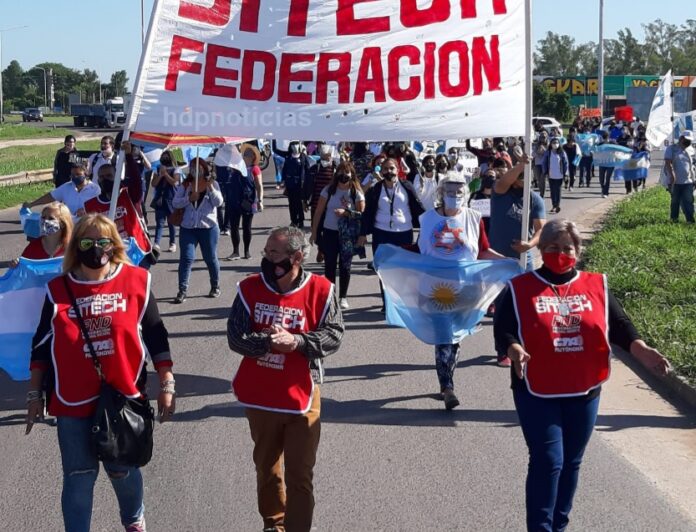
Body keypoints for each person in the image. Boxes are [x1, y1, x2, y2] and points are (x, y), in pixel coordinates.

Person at [493, 219, 671, 532]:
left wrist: (640, 349)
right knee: (549, 461)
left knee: (572, 463)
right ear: (542, 249)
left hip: (583, 390)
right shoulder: (520, 287)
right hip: (537, 390)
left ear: (577, 250)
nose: (560, 253)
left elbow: (618, 325)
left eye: (567, 248)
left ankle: (559, 525)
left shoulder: (595, 285)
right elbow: (504, 328)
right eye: (552, 247)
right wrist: (513, 349)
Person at [25, 213, 176, 532]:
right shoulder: (58, 289)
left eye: (104, 241)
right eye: (87, 242)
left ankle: (134, 520)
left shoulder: (137, 281)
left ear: (115, 244)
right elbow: (40, 346)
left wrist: (167, 381)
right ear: (75, 246)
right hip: (72, 400)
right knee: (78, 476)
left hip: (122, 396)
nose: (96, 248)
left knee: (122, 470)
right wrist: (34, 394)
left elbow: (155, 335)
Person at [227, 226, 344, 532]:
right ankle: (274, 523)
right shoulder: (249, 288)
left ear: (296, 257)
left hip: (303, 395)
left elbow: (333, 336)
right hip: (262, 395)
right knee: (266, 468)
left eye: (274, 253)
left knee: (300, 474)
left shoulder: (322, 289)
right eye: (266, 252)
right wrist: (266, 343)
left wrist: (297, 343)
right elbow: (235, 337)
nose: (267, 259)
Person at [418, 173, 506, 409]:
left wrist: (507, 262)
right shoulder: (427, 219)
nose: (454, 196)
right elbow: (419, 250)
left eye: (459, 192)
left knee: (456, 339)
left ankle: (446, 379)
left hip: (466, 289)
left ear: (466, 194)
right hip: (435, 289)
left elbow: (483, 251)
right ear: (440, 193)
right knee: (444, 337)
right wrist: (391, 255)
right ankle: (448, 387)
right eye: (449, 191)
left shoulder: (474, 218)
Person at [357, 158, 425, 311]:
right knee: (383, 270)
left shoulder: (406, 186)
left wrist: (431, 221)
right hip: (381, 234)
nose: (389, 172)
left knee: (402, 270)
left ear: (398, 170)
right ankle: (387, 303)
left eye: (392, 168)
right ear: (381, 172)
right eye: (386, 169)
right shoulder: (376, 189)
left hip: (404, 233)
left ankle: (400, 303)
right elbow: (367, 213)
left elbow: (417, 206)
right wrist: (362, 234)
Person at [310, 162, 366, 310]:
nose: (343, 175)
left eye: (346, 173)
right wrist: (314, 232)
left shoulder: (356, 193)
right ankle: (330, 295)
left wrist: (346, 213)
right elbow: (318, 212)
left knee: (345, 266)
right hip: (329, 232)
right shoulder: (328, 190)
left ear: (351, 174)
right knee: (329, 265)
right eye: (340, 172)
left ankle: (343, 297)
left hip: (347, 235)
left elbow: (362, 216)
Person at [171, 157, 224, 303]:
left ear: (204, 168)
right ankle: (182, 290)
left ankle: (215, 285)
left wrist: (210, 186)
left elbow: (218, 202)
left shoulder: (213, 184)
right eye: (193, 167)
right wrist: (189, 198)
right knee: (187, 258)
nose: (195, 170)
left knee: (210, 258)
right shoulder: (186, 185)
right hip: (188, 227)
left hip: (208, 228)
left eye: (198, 167)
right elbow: (175, 202)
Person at [489, 156, 546, 271]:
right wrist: (521, 165)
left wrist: (529, 244)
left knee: (525, 288)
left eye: (528, 175)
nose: (525, 180)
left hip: (522, 258)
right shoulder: (501, 191)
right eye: (521, 176)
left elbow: (541, 229)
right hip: (496, 256)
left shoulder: (535, 199)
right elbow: (504, 181)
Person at [225, 144, 264, 260]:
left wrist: (260, 200)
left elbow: (259, 186)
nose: (245, 154)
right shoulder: (236, 167)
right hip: (234, 200)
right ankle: (235, 251)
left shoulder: (255, 169)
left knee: (247, 227)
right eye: (245, 153)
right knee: (234, 226)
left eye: (248, 153)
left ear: (253, 157)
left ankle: (246, 251)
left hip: (248, 201)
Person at [10, 202, 73, 267]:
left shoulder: (72, 248)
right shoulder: (34, 246)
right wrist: (16, 264)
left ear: (62, 224)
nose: (45, 221)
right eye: (43, 217)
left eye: (51, 218)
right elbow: (23, 267)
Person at [23, 164, 100, 217]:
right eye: (73, 175)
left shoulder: (95, 189)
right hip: (70, 224)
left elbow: (100, 206)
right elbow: (51, 196)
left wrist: (86, 210)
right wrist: (32, 204)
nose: (75, 177)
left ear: (85, 175)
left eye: (78, 174)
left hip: (86, 225)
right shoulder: (67, 187)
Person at [150, 150, 181, 252]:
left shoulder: (176, 170)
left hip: (171, 199)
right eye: (163, 157)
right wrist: (160, 175)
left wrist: (166, 174)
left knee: (171, 222)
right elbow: (153, 184)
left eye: (166, 157)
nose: (164, 158)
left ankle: (172, 243)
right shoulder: (157, 169)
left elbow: (174, 182)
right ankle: (157, 243)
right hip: (160, 199)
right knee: (160, 222)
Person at [276, 141, 311, 228]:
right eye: (293, 145)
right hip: (290, 184)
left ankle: (301, 220)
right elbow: (284, 169)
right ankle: (294, 220)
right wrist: (273, 139)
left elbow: (308, 170)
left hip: (300, 185)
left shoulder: (303, 157)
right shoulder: (288, 156)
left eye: (296, 145)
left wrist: (307, 182)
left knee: (299, 203)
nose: (295, 147)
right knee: (291, 203)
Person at [664, 131, 695, 223]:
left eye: (689, 141)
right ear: (681, 138)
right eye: (687, 140)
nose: (688, 142)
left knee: (689, 201)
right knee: (675, 202)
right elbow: (668, 162)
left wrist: (694, 179)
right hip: (675, 182)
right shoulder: (672, 149)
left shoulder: (689, 150)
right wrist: (672, 175)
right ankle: (674, 220)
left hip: (688, 182)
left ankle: (690, 220)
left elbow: (691, 166)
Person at [542, 138, 569, 214]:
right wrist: (545, 172)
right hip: (551, 175)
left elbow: (566, 163)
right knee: (552, 191)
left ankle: (557, 205)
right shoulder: (548, 152)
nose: (555, 144)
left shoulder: (562, 152)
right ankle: (554, 205)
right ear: (550, 144)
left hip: (559, 175)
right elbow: (544, 162)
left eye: (556, 143)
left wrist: (566, 174)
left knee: (558, 190)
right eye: (553, 143)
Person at [596, 131, 615, 198]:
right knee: (601, 178)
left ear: (608, 137)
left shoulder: (613, 143)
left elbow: (618, 149)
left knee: (608, 178)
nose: (605, 140)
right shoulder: (600, 144)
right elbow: (596, 151)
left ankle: (606, 192)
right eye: (604, 138)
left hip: (611, 163)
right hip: (602, 163)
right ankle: (603, 188)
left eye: (606, 138)